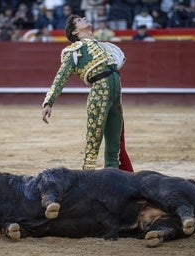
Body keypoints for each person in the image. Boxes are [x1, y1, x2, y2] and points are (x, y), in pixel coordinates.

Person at [41, 14, 133, 172]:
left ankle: (115, 180)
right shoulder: (74, 51)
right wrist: (49, 101)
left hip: (116, 95)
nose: (84, 18)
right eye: (79, 20)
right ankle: (86, 177)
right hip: (99, 94)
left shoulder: (101, 45)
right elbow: (61, 77)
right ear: (75, 32)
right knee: (93, 140)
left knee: (114, 143)